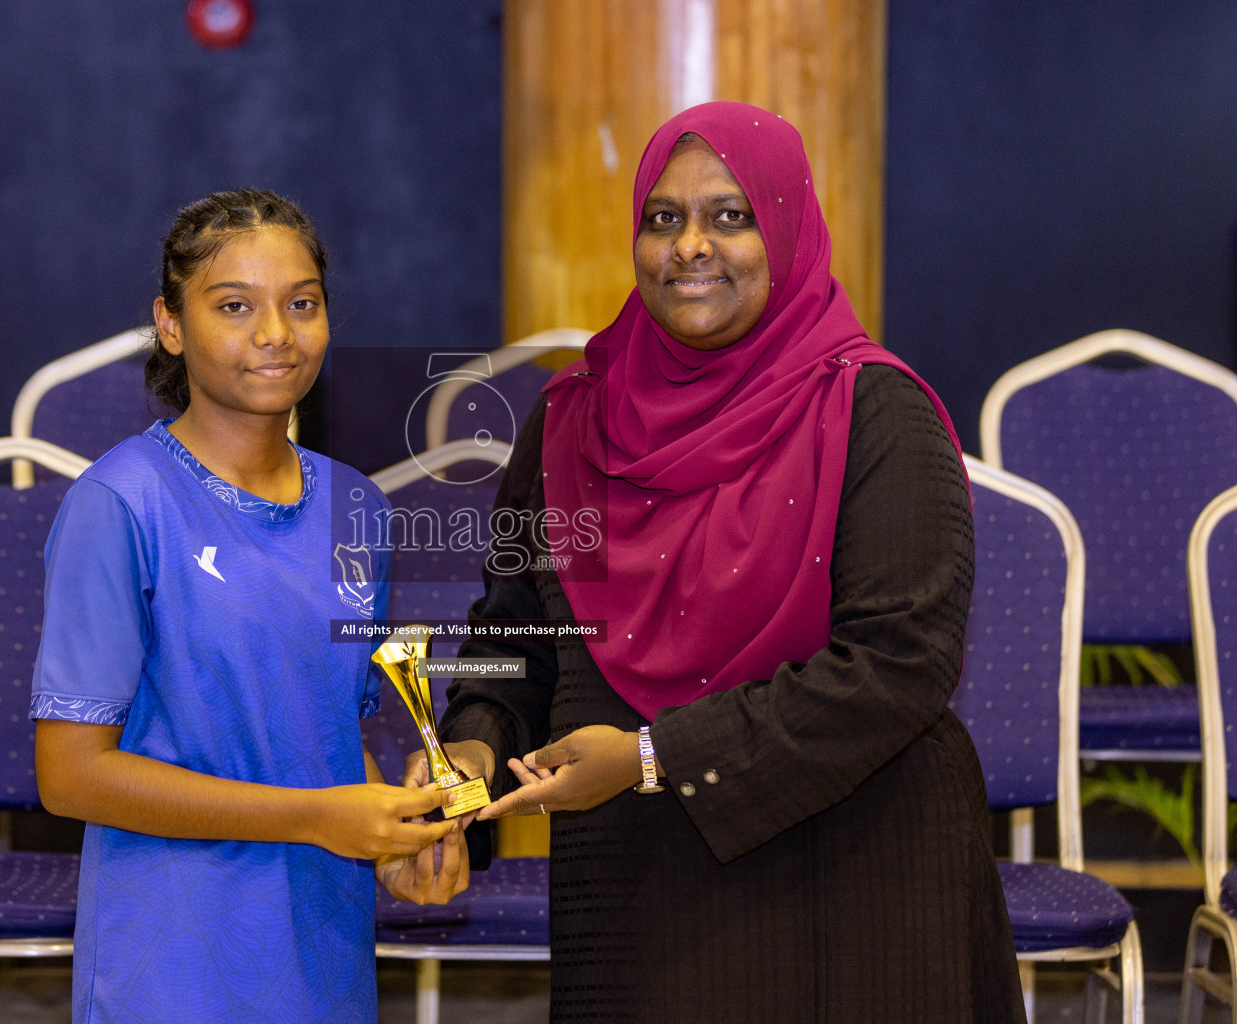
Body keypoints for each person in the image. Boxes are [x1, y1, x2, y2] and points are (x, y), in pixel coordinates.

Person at [420, 103, 1028, 1021]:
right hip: (637, 884)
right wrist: (471, 749)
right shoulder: (567, 420)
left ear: (785, 230)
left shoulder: (874, 411)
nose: (691, 245)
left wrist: (654, 755)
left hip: (859, 875)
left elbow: (900, 667)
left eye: (730, 215)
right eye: (663, 218)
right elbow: (515, 635)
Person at [31, 189, 469, 1024]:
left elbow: (330, 733)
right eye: (235, 306)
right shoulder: (121, 503)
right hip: (172, 953)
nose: (276, 334)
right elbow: (71, 774)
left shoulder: (357, 507)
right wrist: (319, 818)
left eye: (301, 304)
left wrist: (387, 847)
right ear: (170, 324)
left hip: (324, 940)